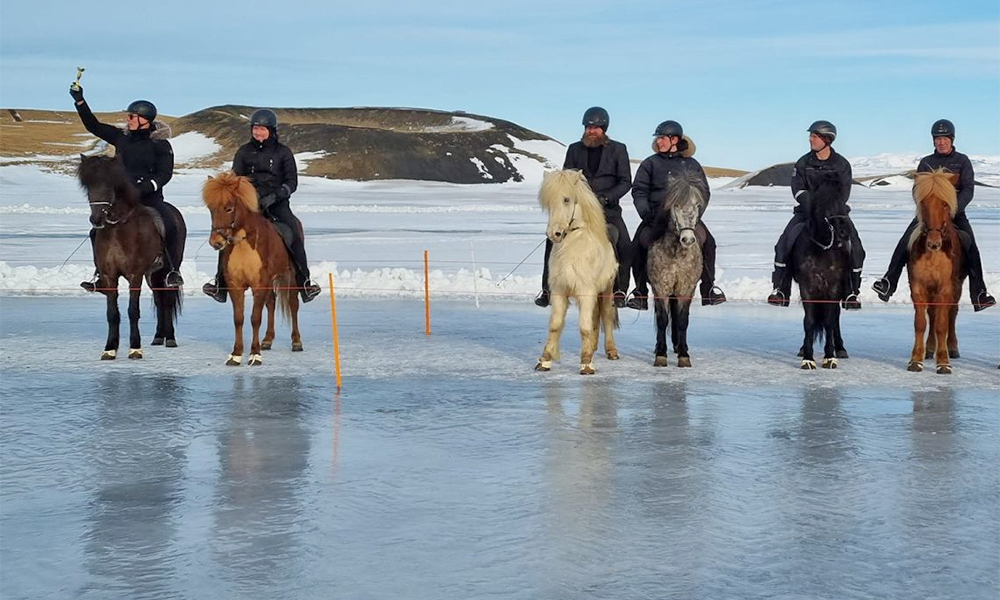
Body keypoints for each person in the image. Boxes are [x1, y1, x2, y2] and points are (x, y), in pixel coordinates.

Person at [871, 119, 995, 311]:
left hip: (955, 213)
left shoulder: (962, 161)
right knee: (905, 242)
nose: (941, 142)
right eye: (937, 139)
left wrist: (953, 208)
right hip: (928, 215)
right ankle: (889, 282)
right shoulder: (926, 162)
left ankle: (979, 294)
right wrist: (925, 209)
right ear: (933, 141)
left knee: (971, 245)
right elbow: (917, 190)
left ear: (952, 139)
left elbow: (968, 190)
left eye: (944, 138)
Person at [69, 85, 184, 291]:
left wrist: (147, 187)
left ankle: (172, 271)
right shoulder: (121, 137)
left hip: (149, 197)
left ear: (144, 120)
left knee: (170, 223)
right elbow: (92, 125)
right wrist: (80, 101)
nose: (127, 119)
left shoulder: (161, 145)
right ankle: (101, 275)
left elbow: (164, 174)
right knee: (96, 230)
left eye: (132, 116)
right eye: (128, 116)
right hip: (122, 199)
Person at [202, 109, 321, 303]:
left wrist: (275, 196)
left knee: (293, 232)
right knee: (226, 234)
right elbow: (235, 180)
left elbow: (292, 182)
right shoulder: (243, 151)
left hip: (277, 205)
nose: (258, 133)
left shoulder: (283, 152)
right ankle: (220, 284)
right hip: (249, 206)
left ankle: (304, 283)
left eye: (262, 129)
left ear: (271, 130)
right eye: (255, 129)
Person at [536, 106, 632, 308]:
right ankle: (547, 289)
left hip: (607, 210)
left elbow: (625, 182)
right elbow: (565, 180)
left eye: (596, 127)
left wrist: (605, 198)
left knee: (624, 243)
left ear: (604, 129)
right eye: (588, 127)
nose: (591, 131)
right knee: (552, 239)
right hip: (576, 212)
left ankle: (620, 290)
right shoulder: (574, 149)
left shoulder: (618, 149)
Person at [625, 120, 726, 310]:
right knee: (636, 245)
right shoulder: (650, 163)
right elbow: (639, 190)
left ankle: (708, 289)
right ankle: (640, 292)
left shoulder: (691, 164)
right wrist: (646, 213)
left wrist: (694, 216)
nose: (658, 142)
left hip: (686, 218)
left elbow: (703, 192)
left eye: (662, 138)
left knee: (709, 243)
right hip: (655, 217)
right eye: (658, 138)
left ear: (674, 139)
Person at [767, 120, 865, 309]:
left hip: (836, 214)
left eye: (814, 136)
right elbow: (797, 188)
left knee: (856, 247)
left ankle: (851, 292)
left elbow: (844, 193)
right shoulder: (803, 162)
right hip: (806, 213)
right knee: (783, 244)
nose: (810, 140)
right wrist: (810, 204)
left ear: (827, 139)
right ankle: (780, 289)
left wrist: (827, 207)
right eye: (811, 136)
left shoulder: (842, 164)